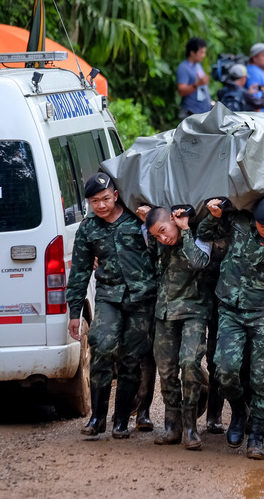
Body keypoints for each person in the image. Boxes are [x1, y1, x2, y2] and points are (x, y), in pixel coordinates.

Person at [197, 194, 264, 459]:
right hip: (231, 309)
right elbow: (203, 232)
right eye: (263, 226)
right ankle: (237, 410)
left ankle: (256, 434)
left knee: (263, 376)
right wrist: (213, 213)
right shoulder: (239, 222)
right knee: (224, 369)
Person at [66, 173, 158, 439]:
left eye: (105, 199)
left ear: (116, 196)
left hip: (141, 299)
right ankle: (97, 418)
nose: (101, 206)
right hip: (109, 297)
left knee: (131, 360)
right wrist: (75, 312)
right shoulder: (88, 228)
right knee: (102, 347)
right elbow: (80, 271)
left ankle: (121, 422)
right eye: (95, 201)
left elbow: (161, 250)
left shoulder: (137, 218)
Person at [139, 205, 212, 450]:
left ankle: (191, 427)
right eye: (157, 235)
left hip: (194, 311)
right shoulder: (158, 241)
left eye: (163, 231)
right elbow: (149, 251)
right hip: (165, 313)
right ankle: (173, 426)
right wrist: (147, 224)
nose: (163, 238)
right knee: (167, 370)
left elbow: (199, 262)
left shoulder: (198, 234)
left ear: (173, 219)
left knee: (189, 362)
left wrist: (185, 231)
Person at [177, 37, 212, 119]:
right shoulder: (184, 67)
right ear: (192, 52)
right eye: (201, 52)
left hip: (201, 114)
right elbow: (181, 91)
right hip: (191, 114)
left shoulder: (198, 66)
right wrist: (196, 85)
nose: (204, 56)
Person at [246, 43, 264, 113]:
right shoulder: (253, 72)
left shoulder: (260, 71)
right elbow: (255, 100)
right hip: (262, 119)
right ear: (254, 58)